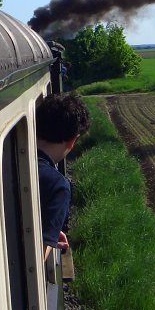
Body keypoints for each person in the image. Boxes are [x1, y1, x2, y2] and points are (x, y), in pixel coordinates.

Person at [36, 92, 90, 260]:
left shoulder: (10, 160)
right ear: (73, 140)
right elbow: (37, 259)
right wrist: (50, 241)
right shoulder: (58, 186)